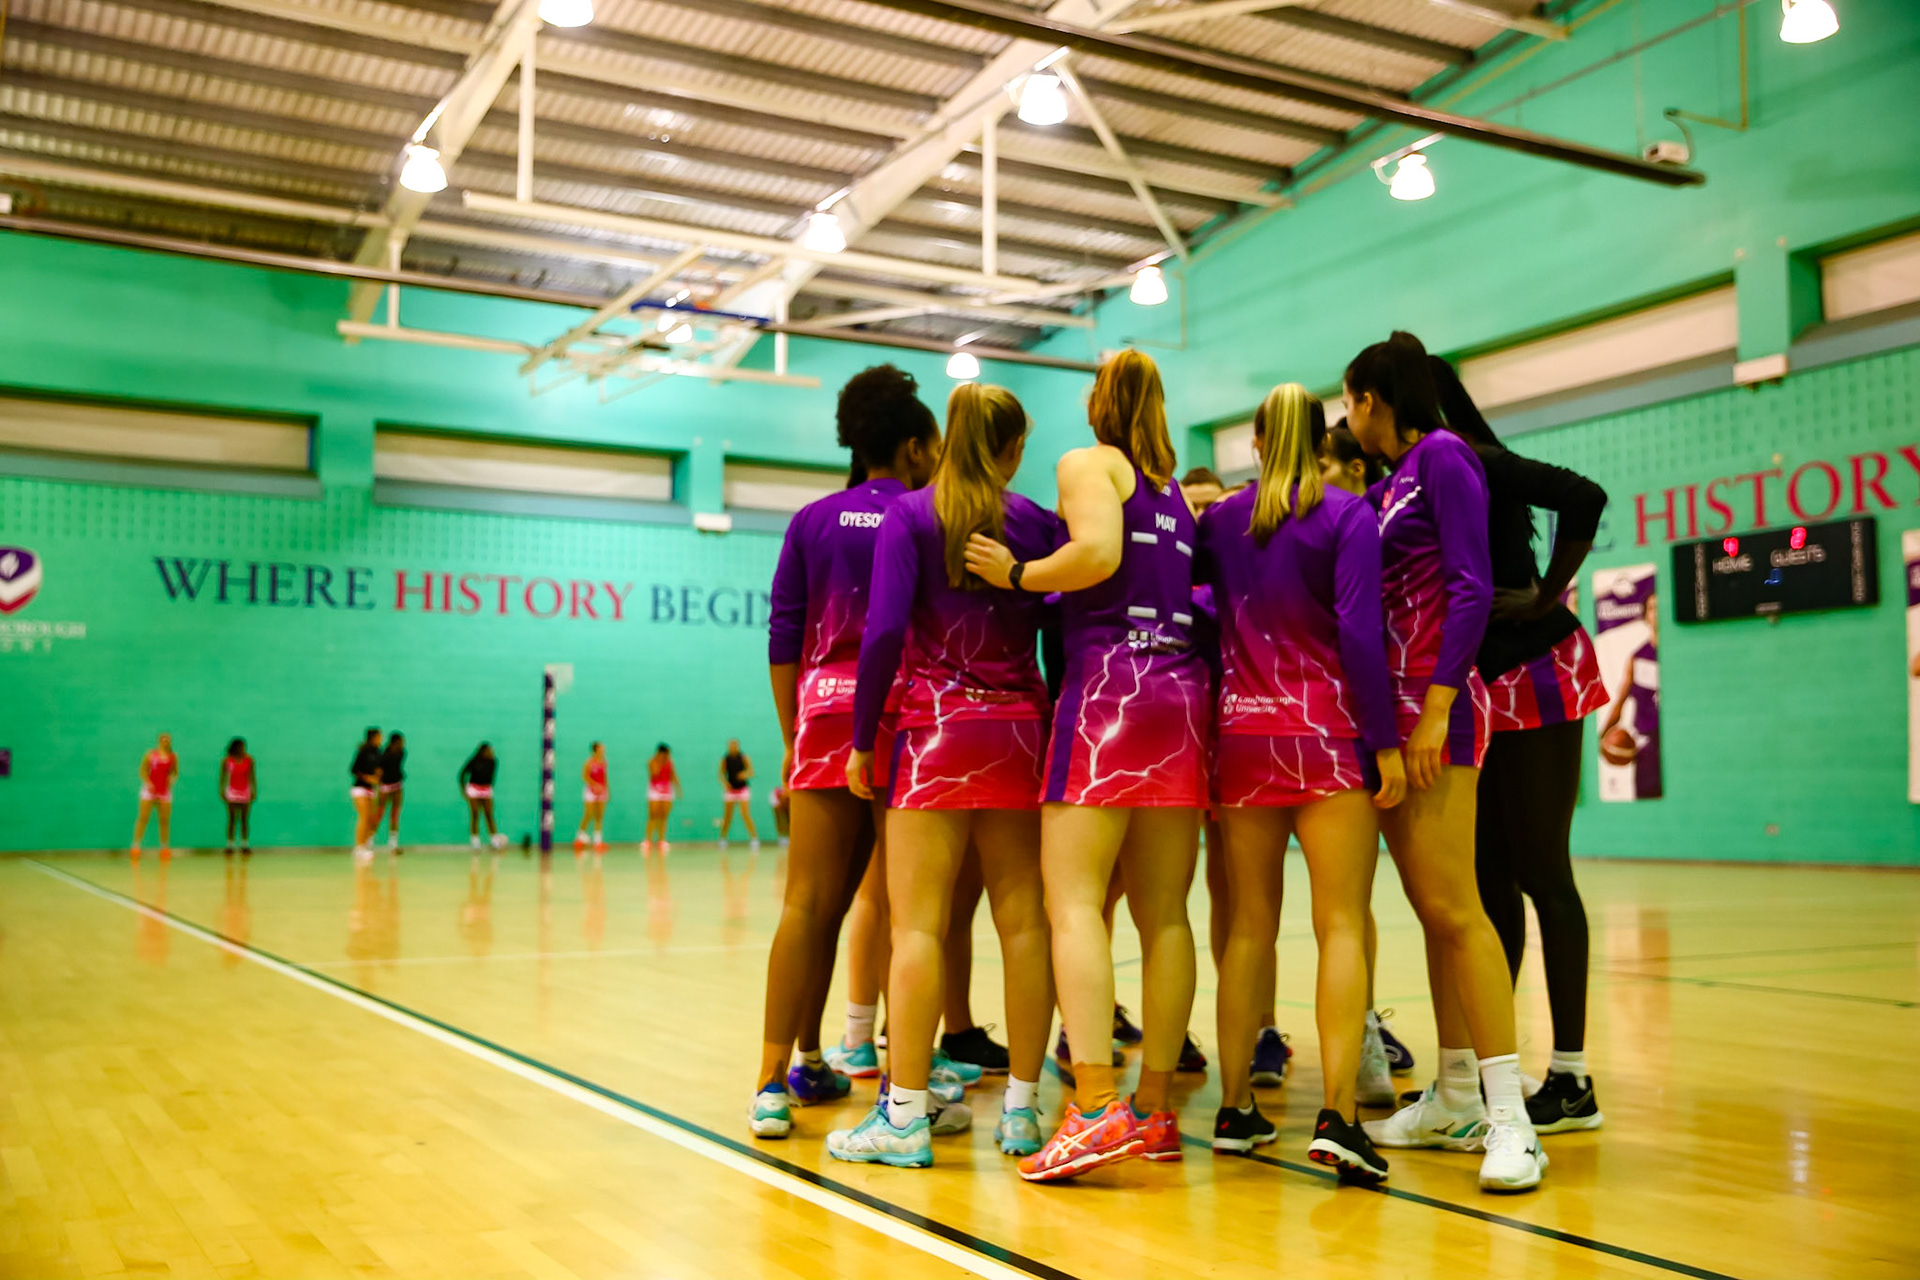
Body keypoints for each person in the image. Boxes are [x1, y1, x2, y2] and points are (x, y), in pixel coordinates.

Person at [966, 348, 1209, 1181]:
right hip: (1181, 695)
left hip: (1109, 691)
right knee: (1167, 915)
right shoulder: (1173, 489)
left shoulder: (1086, 462)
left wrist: (1022, 573)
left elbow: (1098, 554)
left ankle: (1096, 1106)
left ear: (1099, 403)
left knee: (1071, 904)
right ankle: (1155, 1111)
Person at [826, 382, 1059, 1168]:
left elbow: (885, 631)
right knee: (1027, 925)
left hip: (933, 737)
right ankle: (1023, 1113)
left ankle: (903, 1116)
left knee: (917, 927)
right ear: (1014, 448)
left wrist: (864, 738)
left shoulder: (909, 516)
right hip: (1020, 736)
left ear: (946, 436)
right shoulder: (1033, 522)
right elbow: (1061, 620)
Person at [1344, 332, 1546, 1192]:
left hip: (1438, 710)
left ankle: (1513, 1121)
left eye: (1350, 400)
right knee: (1433, 910)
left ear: (1372, 400)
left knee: (1459, 908)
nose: (1346, 416)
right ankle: (1457, 1090)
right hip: (1389, 715)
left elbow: (1470, 583)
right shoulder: (1387, 485)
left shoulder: (1446, 456)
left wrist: (1435, 707)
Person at [1196, 383, 1405, 1182]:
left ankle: (1235, 1109)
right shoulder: (1350, 514)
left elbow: (1199, 615)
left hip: (1242, 739)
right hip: (1325, 738)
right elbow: (1358, 630)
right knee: (1341, 925)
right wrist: (1383, 742)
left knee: (1247, 928)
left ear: (1252, 444)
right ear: (1323, 442)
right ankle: (1340, 1115)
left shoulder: (1221, 520)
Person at [751, 364, 941, 1140]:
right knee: (906, 916)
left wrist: (795, 739)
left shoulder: (812, 519)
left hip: (825, 715)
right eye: (930, 445)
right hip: (908, 718)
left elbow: (784, 639)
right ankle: (901, 1090)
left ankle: (775, 1081)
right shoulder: (927, 515)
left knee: (808, 907)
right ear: (911, 445)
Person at [1429, 356, 1611, 1135]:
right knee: (1490, 877)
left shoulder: (1471, 458)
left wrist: (1547, 592)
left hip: (1537, 666)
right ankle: (1484, 1080)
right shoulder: (1415, 478)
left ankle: (1569, 1078)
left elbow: (1585, 495)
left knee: (1543, 871)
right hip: (1477, 685)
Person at [1322, 427, 1417, 1088]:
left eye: (1325, 464)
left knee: (1352, 904)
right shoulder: (1298, 527)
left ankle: (1363, 1034)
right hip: (1300, 729)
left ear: (1355, 467)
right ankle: (1265, 1035)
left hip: (1368, 720)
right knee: (1248, 912)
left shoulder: (1367, 518)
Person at [131, 732, 179, 858]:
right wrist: (148, 783)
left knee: (164, 820)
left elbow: (175, 773)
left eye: (167, 741)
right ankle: (136, 846)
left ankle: (164, 848)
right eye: (163, 740)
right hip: (150, 790)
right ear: (159, 742)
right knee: (143, 817)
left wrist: (171, 780)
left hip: (164, 791)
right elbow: (142, 771)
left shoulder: (173, 757)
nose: (165, 743)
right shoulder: (150, 755)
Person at [460, 743, 504, 850]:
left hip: (486, 789)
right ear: (482, 751)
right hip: (474, 788)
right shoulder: (474, 761)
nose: (491, 752)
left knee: (489, 814)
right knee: (475, 814)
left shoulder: (493, 762)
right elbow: (462, 774)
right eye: (488, 750)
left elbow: (491, 777)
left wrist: (488, 788)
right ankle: (475, 841)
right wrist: (464, 789)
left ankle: (494, 841)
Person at [349, 728, 383, 862]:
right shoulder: (363, 751)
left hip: (371, 790)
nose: (381, 739)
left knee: (370, 818)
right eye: (379, 736)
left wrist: (378, 775)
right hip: (360, 788)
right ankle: (359, 847)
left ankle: (366, 845)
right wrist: (368, 778)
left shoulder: (378, 753)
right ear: (373, 737)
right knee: (363, 817)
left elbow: (379, 770)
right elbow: (354, 769)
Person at [719, 740, 761, 849]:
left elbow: (751, 771)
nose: (733, 747)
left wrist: (744, 774)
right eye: (731, 745)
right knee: (727, 816)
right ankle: (723, 838)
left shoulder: (744, 757)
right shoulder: (725, 759)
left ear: (738, 746)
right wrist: (725, 783)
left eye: (735, 745)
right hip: (731, 790)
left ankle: (754, 838)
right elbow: (721, 774)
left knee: (745, 814)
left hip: (743, 789)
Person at [219, 737, 256, 855]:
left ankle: (245, 845)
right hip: (232, 792)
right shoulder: (227, 761)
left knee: (245, 819)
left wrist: (254, 790)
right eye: (241, 746)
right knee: (232, 819)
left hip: (245, 792)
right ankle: (229, 845)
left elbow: (252, 776)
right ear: (235, 747)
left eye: (244, 746)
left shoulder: (249, 760)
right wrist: (222, 790)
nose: (243, 749)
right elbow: (223, 777)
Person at [644, 744, 680, 853]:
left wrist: (678, 787)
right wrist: (660, 762)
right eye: (666, 754)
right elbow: (654, 773)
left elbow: (673, 775)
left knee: (664, 816)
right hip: (655, 790)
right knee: (653, 815)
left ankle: (661, 840)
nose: (668, 756)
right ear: (660, 753)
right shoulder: (652, 761)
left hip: (667, 790)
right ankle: (648, 840)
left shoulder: (670, 762)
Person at [377, 730, 407, 853]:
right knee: (380, 812)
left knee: (395, 814)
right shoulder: (384, 754)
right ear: (395, 742)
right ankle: (369, 841)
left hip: (397, 785)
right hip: (385, 786)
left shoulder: (402, 752)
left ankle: (393, 844)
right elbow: (381, 770)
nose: (403, 744)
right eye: (401, 741)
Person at [577, 742, 610, 850]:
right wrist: (594, 785)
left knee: (599, 816)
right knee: (588, 814)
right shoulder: (589, 763)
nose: (603, 750)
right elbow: (584, 776)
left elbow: (605, 777)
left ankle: (598, 841)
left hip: (601, 791)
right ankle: (580, 837)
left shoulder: (604, 762)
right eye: (601, 748)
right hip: (591, 791)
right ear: (596, 750)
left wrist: (606, 790)